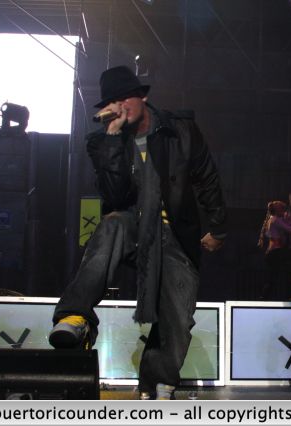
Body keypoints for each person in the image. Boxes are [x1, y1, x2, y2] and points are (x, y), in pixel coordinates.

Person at [48, 66, 227, 400]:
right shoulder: (101, 142)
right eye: (111, 101)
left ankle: (157, 385)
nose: (119, 106)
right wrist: (112, 139)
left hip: (176, 236)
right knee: (112, 223)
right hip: (133, 226)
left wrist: (218, 227)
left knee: (178, 313)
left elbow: (207, 177)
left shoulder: (180, 130)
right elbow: (114, 196)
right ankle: (74, 315)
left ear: (142, 96)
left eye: (124, 98)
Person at [257, 200, 291, 300]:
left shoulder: (273, 219)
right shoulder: (275, 219)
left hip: (273, 254)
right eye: (282, 209)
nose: (284, 211)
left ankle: (264, 296)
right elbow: (290, 229)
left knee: (275, 276)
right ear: (277, 210)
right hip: (276, 253)